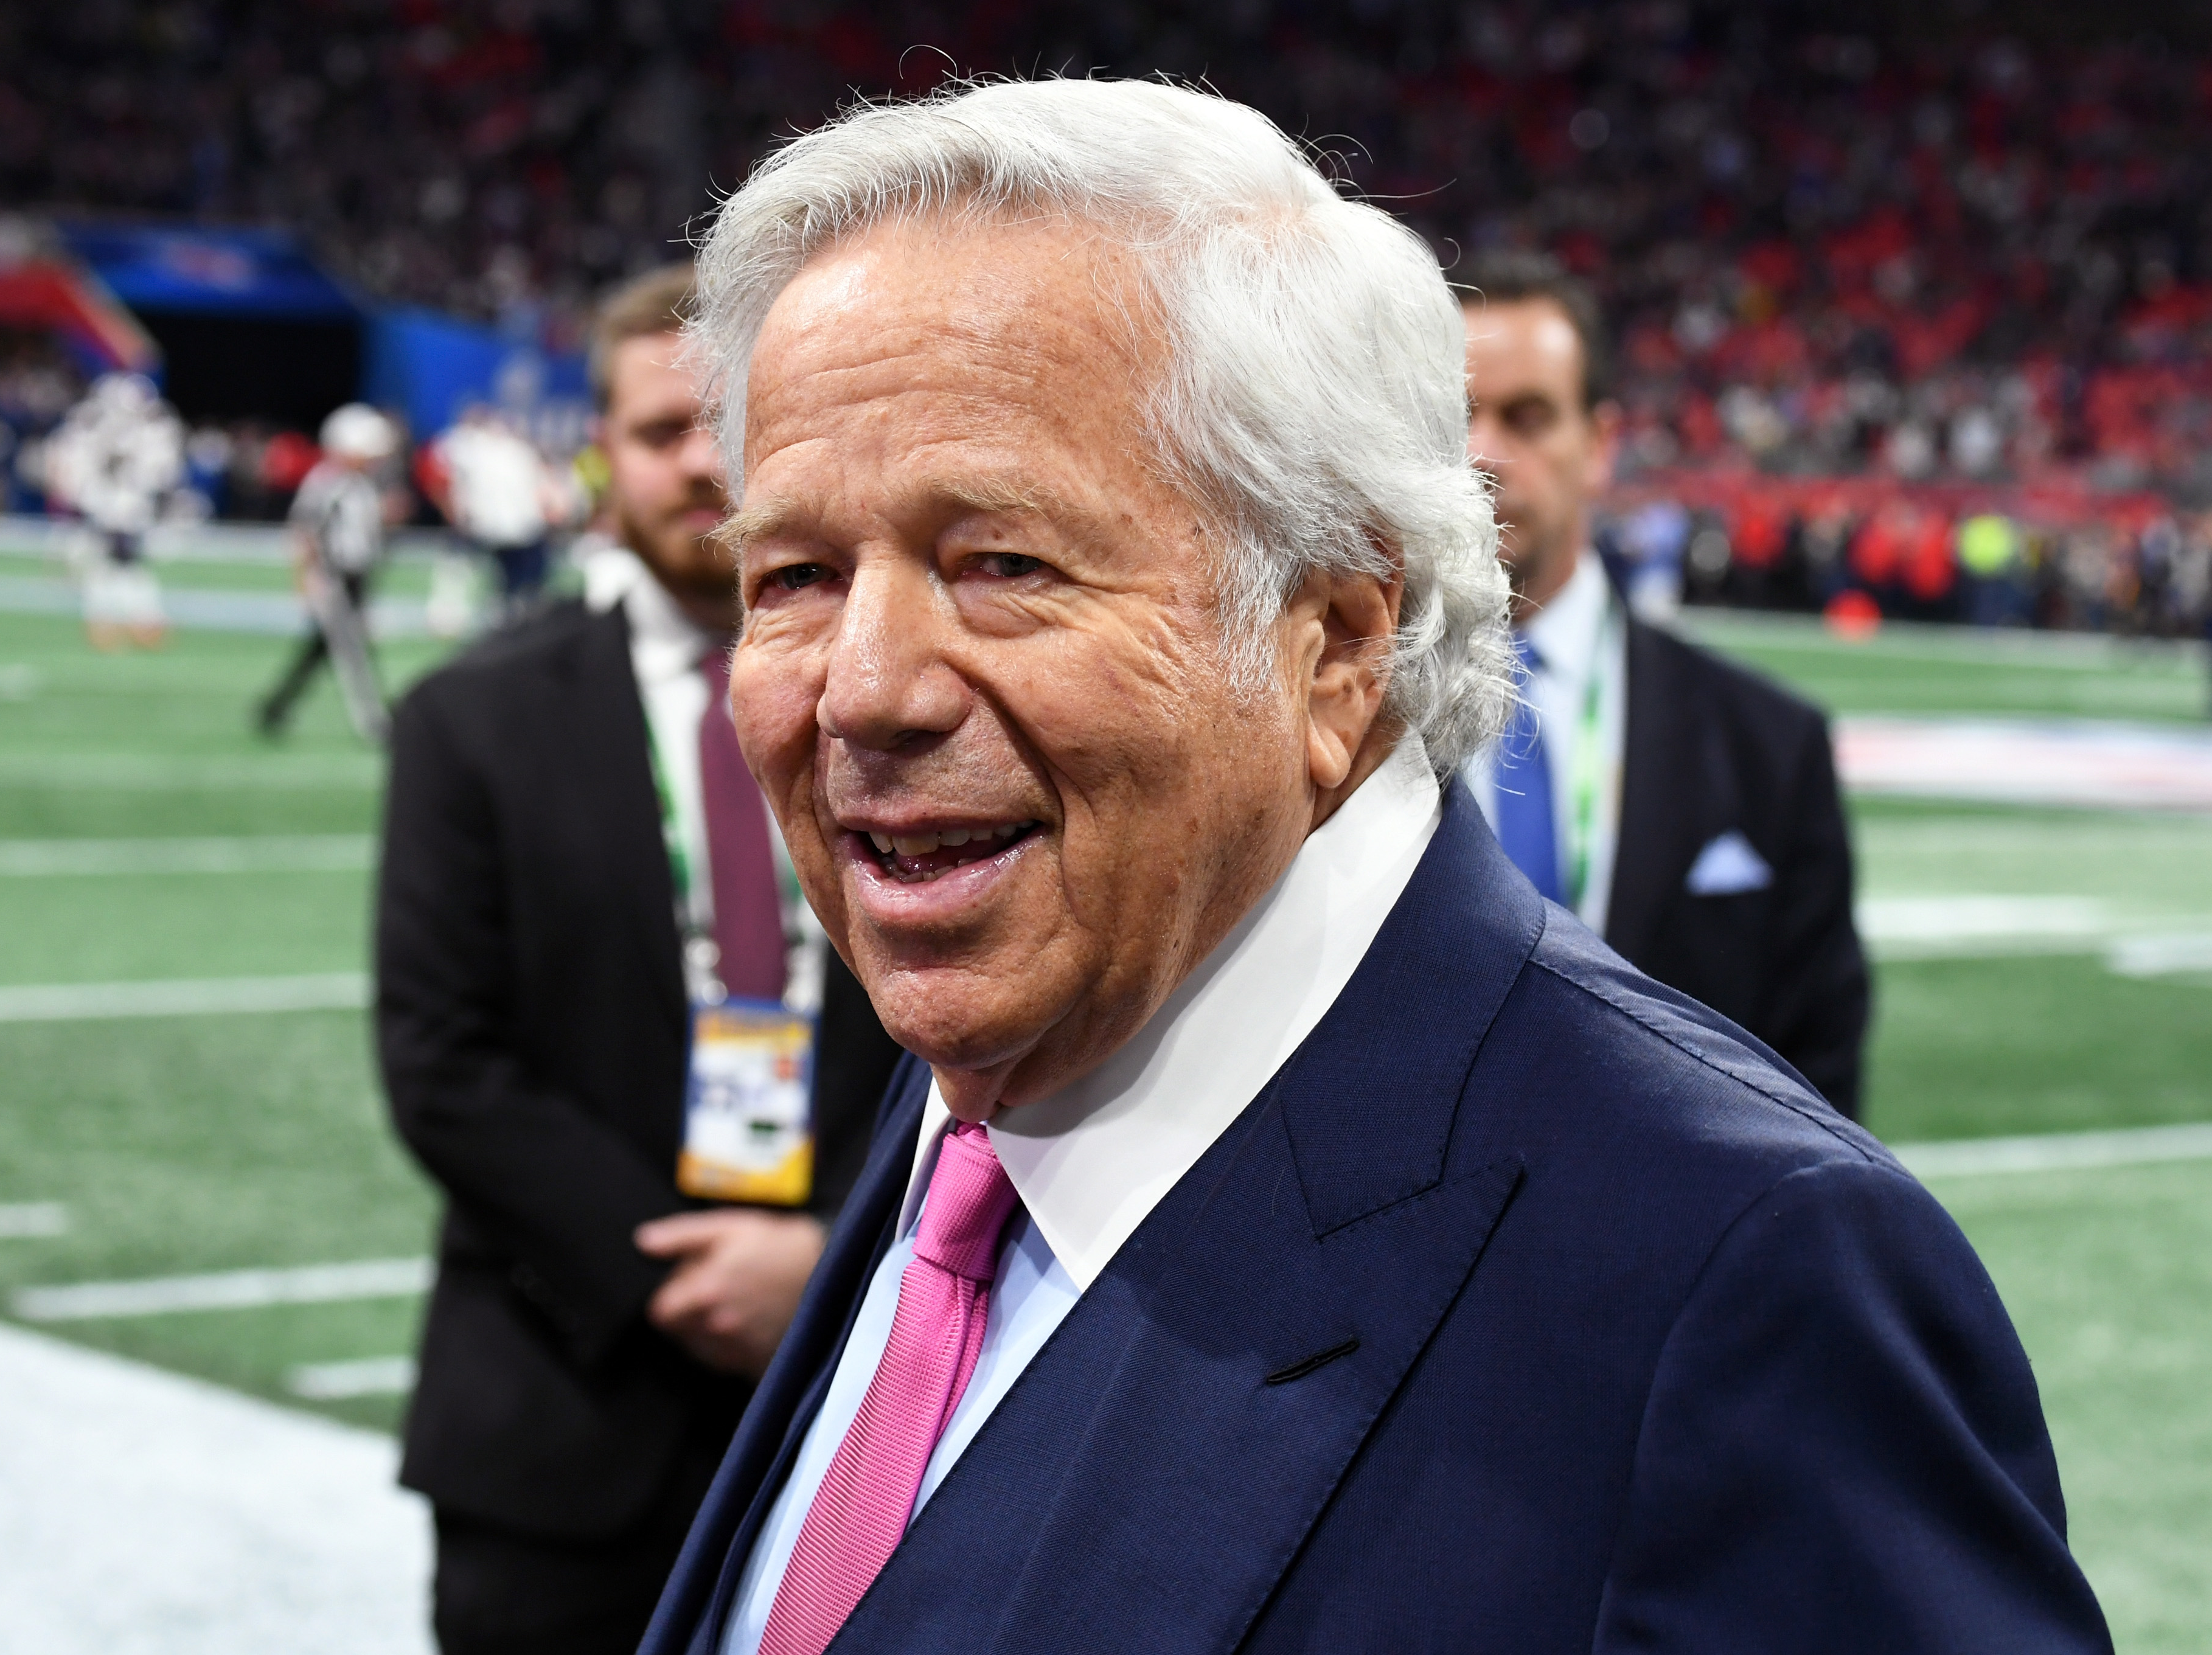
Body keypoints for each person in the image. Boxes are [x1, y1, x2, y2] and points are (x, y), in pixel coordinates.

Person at [638, 80, 2106, 1655]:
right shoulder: (994, 1065)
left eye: (1003, 563)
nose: (862, 686)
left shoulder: (1731, 1277)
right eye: (792, 574)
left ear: (1334, 639)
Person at [375, 262, 903, 1655]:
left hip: (855, 1387)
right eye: (660, 428)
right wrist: (676, 1271)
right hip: (562, 1399)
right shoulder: (470, 719)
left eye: (731, 426)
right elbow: (442, 1058)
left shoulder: (909, 703)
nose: (698, 462)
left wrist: (831, 1258)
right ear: (600, 451)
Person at [1459, 252, 1873, 1117]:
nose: (1483, 453)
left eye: (1526, 416)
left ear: (1600, 445)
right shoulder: (1327, 715)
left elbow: (1817, 1092)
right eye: (1451, 415)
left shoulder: (1768, 746)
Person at [256, 402, 400, 744]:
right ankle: (374, 721)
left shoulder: (360, 483)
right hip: (335, 578)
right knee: (353, 651)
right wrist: (307, 579)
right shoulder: (327, 483)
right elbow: (306, 532)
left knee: (323, 650)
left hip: (355, 576)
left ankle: (275, 707)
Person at [43, 372, 185, 650]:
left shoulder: (102, 427)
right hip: (111, 503)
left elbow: (159, 471)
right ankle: (128, 622)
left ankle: (122, 622)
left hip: (115, 503)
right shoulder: (102, 428)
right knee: (114, 561)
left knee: (114, 562)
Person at [426, 406, 562, 617]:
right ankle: (450, 610)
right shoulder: (489, 448)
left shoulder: (502, 450)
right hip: (506, 527)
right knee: (474, 569)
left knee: (513, 582)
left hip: (505, 527)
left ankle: (451, 611)